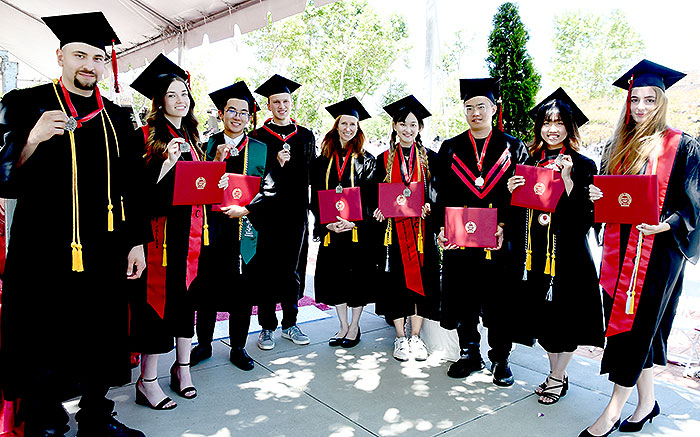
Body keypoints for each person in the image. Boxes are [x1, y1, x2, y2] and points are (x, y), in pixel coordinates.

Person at [0, 12, 147, 436]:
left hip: (103, 247)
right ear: (60, 56)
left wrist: (136, 242)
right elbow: (3, 179)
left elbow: (132, 185)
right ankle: (44, 420)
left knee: (101, 331)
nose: (89, 64)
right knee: (42, 332)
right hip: (41, 247)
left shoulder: (118, 118)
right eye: (80, 54)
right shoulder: (25, 103)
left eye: (98, 57)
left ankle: (96, 416)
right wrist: (32, 139)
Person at [581, 60, 700, 436]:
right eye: (635, 100)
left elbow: (695, 204)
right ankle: (647, 403)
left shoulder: (683, 145)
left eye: (650, 100)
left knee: (637, 328)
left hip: (659, 253)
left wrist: (667, 224)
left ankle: (612, 410)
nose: (641, 107)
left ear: (662, 101)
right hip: (619, 251)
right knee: (631, 328)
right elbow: (607, 203)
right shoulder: (617, 145)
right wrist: (595, 195)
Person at [507, 88, 604, 404]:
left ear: (569, 127)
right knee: (546, 322)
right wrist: (512, 190)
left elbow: (587, 220)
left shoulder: (584, 165)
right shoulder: (530, 161)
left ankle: (557, 377)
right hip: (535, 257)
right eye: (547, 122)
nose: (552, 128)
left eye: (559, 122)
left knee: (567, 321)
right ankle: (554, 373)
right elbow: (520, 211)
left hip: (570, 258)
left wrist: (568, 181)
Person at [433, 78, 527, 385]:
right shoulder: (450, 148)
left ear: (493, 108)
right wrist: (440, 230)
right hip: (461, 243)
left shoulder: (513, 148)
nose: (475, 113)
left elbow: (523, 197)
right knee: (464, 299)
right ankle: (469, 354)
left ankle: (501, 359)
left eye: (481, 106)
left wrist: (504, 225)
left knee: (499, 302)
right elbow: (438, 195)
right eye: (470, 107)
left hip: (500, 242)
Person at [128, 54, 206, 410]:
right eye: (173, 94)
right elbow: (136, 195)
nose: (181, 100)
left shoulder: (193, 135)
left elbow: (198, 188)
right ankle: (148, 381)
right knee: (156, 309)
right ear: (159, 102)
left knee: (184, 302)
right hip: (158, 237)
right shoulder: (144, 137)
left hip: (189, 233)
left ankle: (184, 370)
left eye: (185, 93)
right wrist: (167, 164)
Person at [191, 81, 276, 370]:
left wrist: (247, 208)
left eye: (243, 112)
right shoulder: (206, 145)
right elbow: (196, 187)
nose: (237, 117)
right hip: (211, 230)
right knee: (207, 291)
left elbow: (270, 190)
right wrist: (214, 163)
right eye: (231, 111)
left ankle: (238, 347)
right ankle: (203, 343)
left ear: (250, 117)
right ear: (221, 113)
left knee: (242, 291)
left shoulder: (261, 149)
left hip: (245, 229)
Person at [249, 75, 316, 350]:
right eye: (276, 102)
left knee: (291, 271)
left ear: (291, 102)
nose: (281, 106)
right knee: (266, 271)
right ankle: (266, 327)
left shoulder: (306, 136)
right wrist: (274, 165)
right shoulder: (258, 137)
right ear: (268, 105)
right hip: (265, 215)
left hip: (295, 214)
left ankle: (290, 322)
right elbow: (252, 178)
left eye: (285, 101)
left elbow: (314, 175)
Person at [372, 95, 440, 361]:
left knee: (421, 284)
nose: (408, 130)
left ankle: (416, 337)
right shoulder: (383, 159)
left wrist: (430, 207)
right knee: (396, 285)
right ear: (394, 125)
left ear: (420, 128)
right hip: (393, 233)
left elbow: (436, 195)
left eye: (413, 125)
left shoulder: (430, 159)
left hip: (421, 233)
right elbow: (373, 196)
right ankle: (400, 338)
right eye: (403, 124)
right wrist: (376, 209)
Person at [310, 97, 377, 348]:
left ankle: (355, 326)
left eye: (353, 124)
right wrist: (325, 224)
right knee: (335, 277)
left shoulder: (366, 160)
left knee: (356, 278)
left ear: (358, 128)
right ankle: (342, 325)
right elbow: (315, 197)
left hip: (356, 232)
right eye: (344, 123)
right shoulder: (322, 160)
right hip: (331, 231)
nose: (348, 128)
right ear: (336, 125)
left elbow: (371, 198)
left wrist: (356, 223)